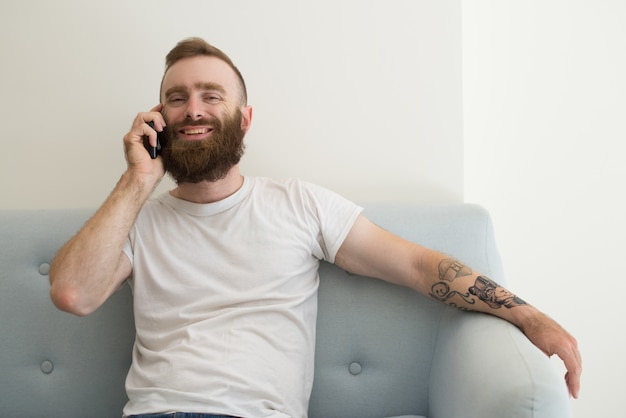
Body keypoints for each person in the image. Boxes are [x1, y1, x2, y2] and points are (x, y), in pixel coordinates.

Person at [49, 37, 582, 418]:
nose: (194, 109)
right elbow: (73, 292)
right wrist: (137, 179)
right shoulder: (137, 219)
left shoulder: (298, 204)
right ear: (159, 119)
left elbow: (421, 267)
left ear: (245, 117)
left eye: (212, 95)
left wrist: (530, 317)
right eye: (176, 97)